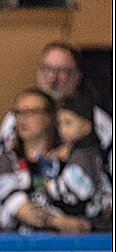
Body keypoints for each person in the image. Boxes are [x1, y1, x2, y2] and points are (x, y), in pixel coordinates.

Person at [0, 42, 112, 177]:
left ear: (78, 75)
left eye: (62, 71)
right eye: (47, 68)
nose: (53, 78)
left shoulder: (96, 119)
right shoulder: (16, 117)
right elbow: (1, 166)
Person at [0, 88, 90, 233]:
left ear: (49, 117)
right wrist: (62, 222)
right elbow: (24, 211)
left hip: (73, 250)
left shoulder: (73, 159)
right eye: (18, 113)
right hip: (18, 250)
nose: (22, 119)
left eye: (31, 112)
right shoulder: (6, 161)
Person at [47, 94, 113, 231]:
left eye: (68, 123)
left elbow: (81, 189)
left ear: (86, 127)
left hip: (88, 221)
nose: (62, 129)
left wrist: (48, 185)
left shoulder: (85, 156)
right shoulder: (70, 153)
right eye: (60, 123)